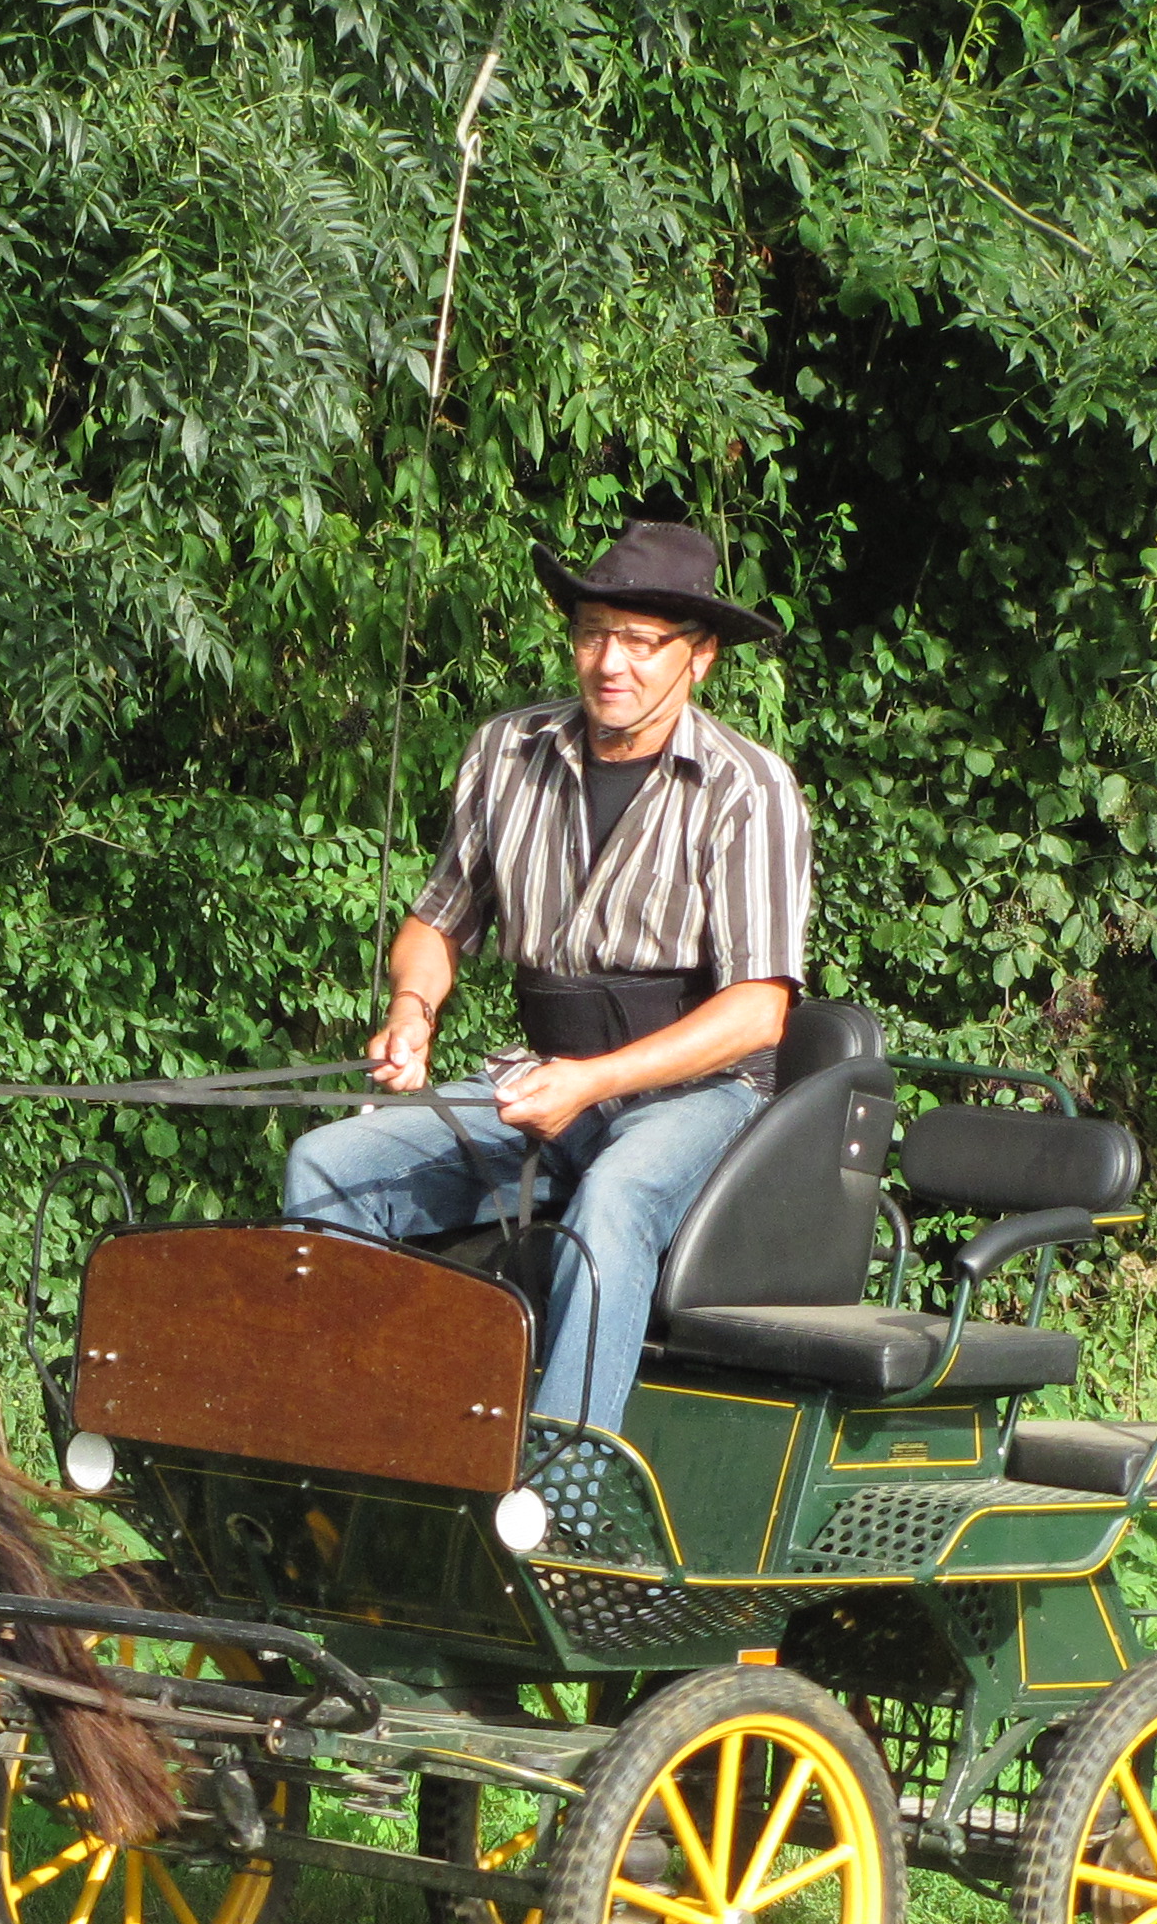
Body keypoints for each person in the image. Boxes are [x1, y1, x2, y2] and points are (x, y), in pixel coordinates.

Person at [283, 517, 808, 1436]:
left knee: (613, 1200)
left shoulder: (748, 788)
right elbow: (434, 924)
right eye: (595, 633)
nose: (613, 662)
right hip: (541, 1078)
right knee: (329, 1163)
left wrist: (598, 1082)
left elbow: (759, 1012)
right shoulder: (507, 754)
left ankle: (562, 1491)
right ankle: (363, 1438)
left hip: (696, 1096)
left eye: (643, 643)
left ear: (701, 657)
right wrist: (413, 1008)